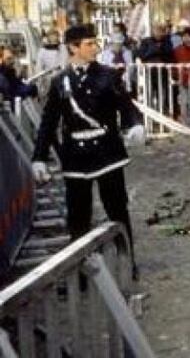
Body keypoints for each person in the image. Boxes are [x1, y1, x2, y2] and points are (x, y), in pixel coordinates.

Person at [31, 25, 145, 274]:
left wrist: (134, 124)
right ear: (73, 48)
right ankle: (82, 272)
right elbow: (49, 122)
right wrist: (38, 157)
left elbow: (125, 105)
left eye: (96, 43)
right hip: (76, 159)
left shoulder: (108, 75)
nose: (96, 48)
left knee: (117, 210)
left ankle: (127, 263)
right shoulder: (60, 82)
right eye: (89, 44)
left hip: (107, 153)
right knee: (78, 218)